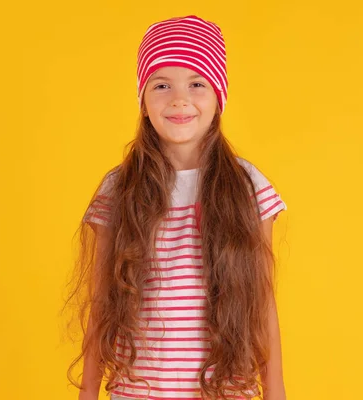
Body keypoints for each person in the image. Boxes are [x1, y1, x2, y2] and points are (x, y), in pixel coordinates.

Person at [64, 14, 288, 400]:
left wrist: (276, 392)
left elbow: (262, 303)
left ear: (218, 95)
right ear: (143, 100)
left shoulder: (249, 187)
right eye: (162, 84)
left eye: (196, 83)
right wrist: (87, 393)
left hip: (225, 392)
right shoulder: (118, 190)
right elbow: (102, 302)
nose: (180, 99)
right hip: (137, 393)